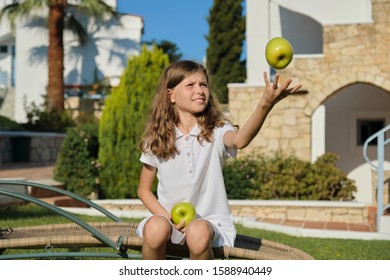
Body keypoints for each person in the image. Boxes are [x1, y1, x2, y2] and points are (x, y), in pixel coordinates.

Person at [136, 60, 302, 260]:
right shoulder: (157, 138)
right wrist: (166, 217)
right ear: (171, 95)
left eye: (203, 84)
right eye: (190, 85)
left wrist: (265, 104)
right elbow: (144, 190)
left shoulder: (217, 129)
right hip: (167, 218)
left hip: (210, 222)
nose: (200, 90)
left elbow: (239, 141)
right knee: (155, 228)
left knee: (197, 232)